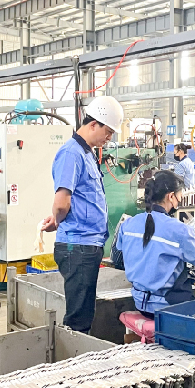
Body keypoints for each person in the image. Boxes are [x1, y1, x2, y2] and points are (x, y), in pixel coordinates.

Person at [41, 96, 125, 335]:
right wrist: (58, 219)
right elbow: (62, 202)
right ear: (93, 124)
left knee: (84, 310)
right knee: (78, 318)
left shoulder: (86, 153)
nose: (109, 138)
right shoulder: (72, 153)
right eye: (108, 132)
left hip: (85, 244)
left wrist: (58, 220)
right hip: (78, 246)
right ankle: (73, 354)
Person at [112, 171, 195, 318]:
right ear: (171, 196)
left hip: (140, 303)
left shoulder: (128, 224)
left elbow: (118, 260)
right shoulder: (178, 230)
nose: (180, 200)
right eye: (180, 196)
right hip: (168, 307)